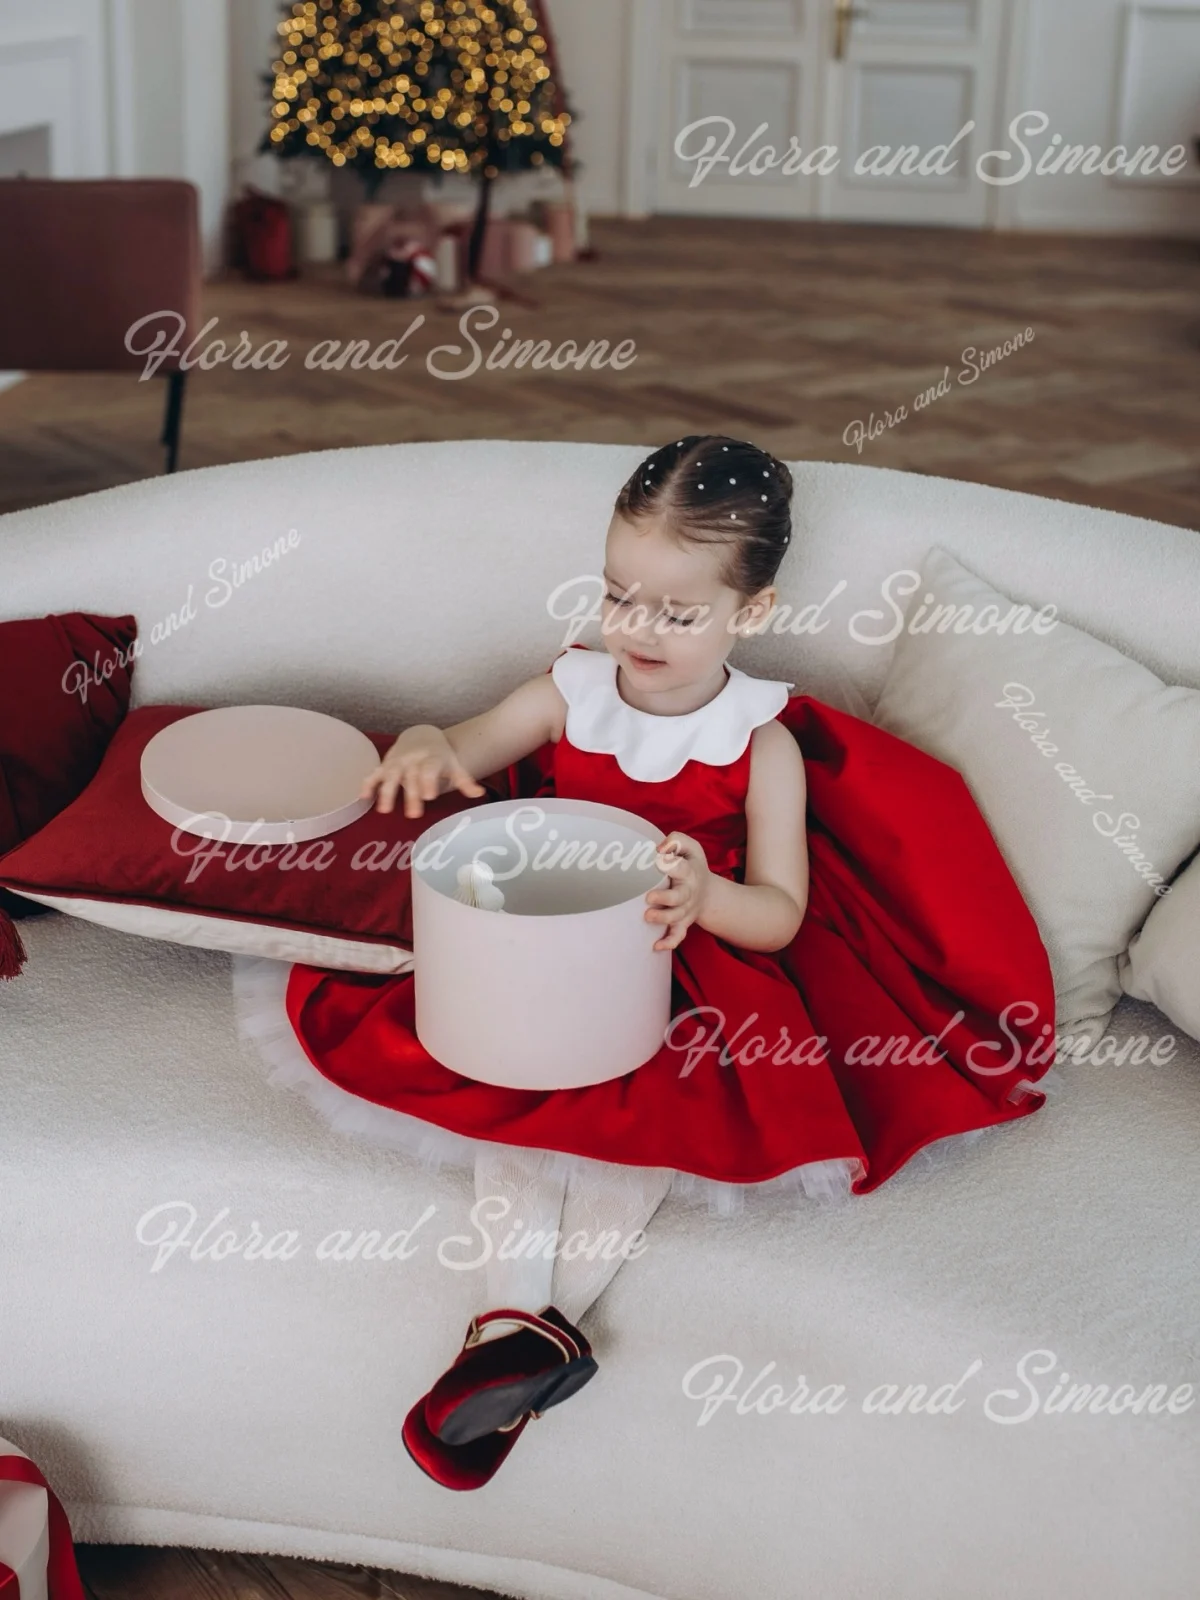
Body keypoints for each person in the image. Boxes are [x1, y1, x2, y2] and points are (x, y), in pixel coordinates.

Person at [236, 435, 1054, 1491]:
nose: (638, 628)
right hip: (545, 929)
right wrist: (435, 745)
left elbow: (780, 914)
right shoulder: (574, 688)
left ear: (748, 614)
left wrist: (707, 897)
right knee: (513, 1090)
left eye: (677, 611)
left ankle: (527, 1339)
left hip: (688, 955)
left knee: (649, 1112)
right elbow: (471, 742)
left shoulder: (762, 744)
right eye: (621, 594)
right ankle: (514, 1324)